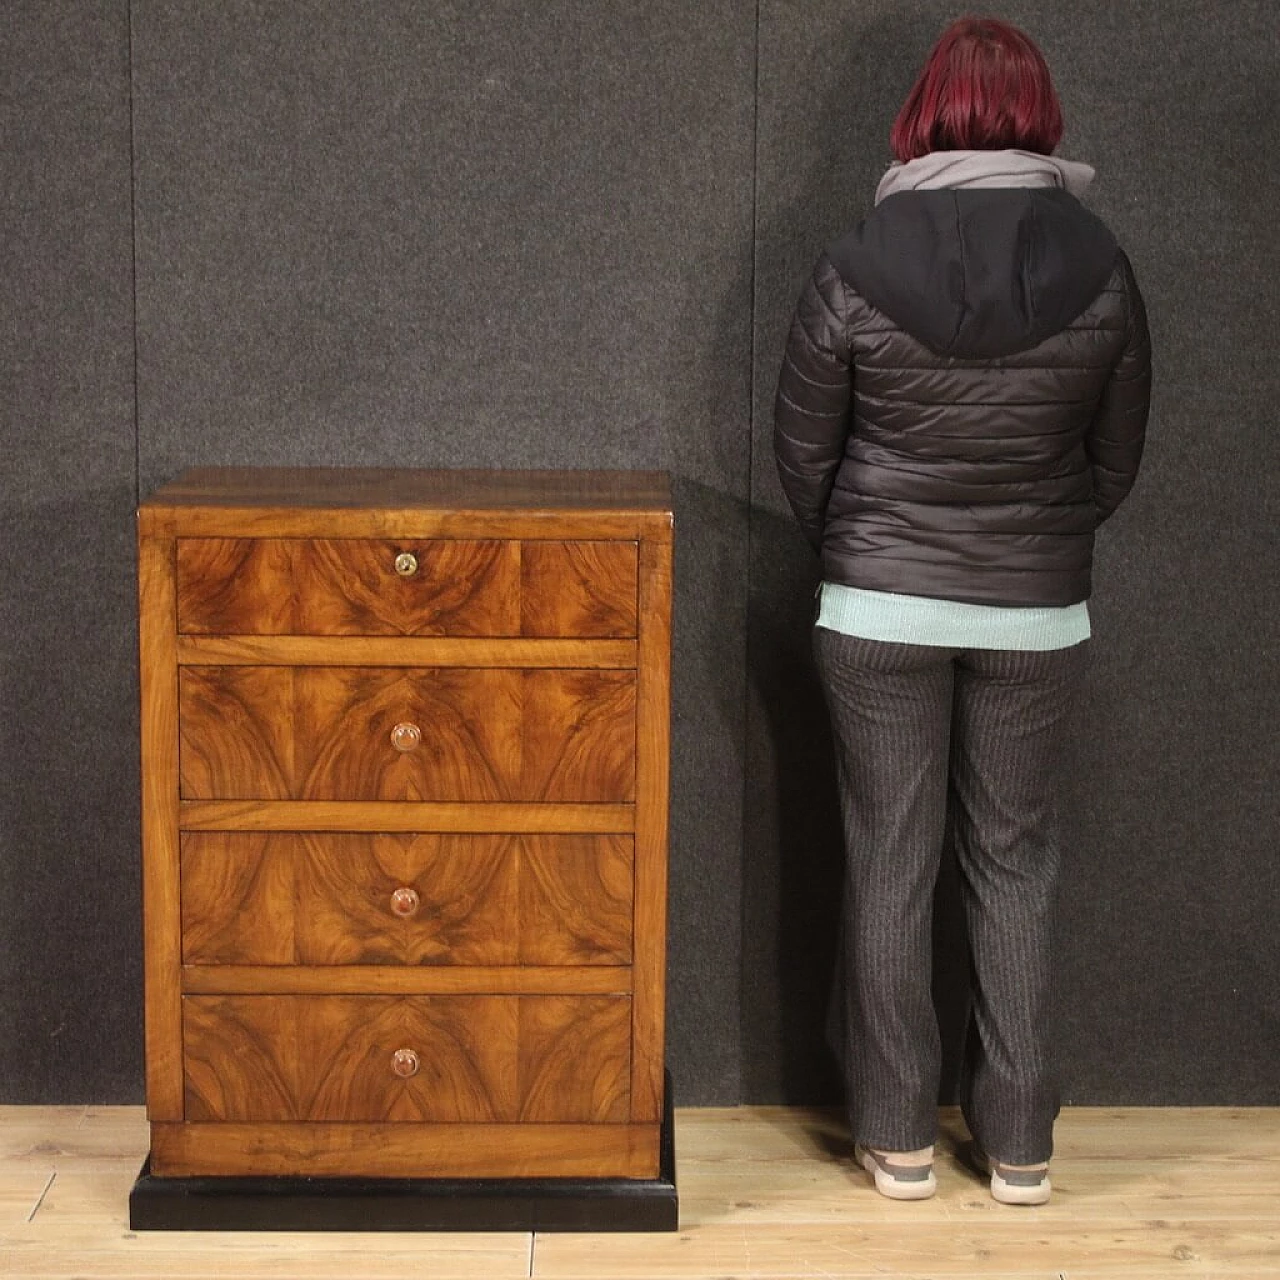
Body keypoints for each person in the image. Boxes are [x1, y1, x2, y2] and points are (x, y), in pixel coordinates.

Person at [773, 15, 1151, 1206]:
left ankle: (892, 1139)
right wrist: (1030, 547)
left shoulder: (855, 258)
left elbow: (801, 452)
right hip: (1033, 614)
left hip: (877, 603)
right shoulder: (1100, 267)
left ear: (922, 114)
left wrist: (866, 549)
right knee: (1013, 860)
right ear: (1039, 118)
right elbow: (1113, 463)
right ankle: (1019, 1144)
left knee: (888, 856)